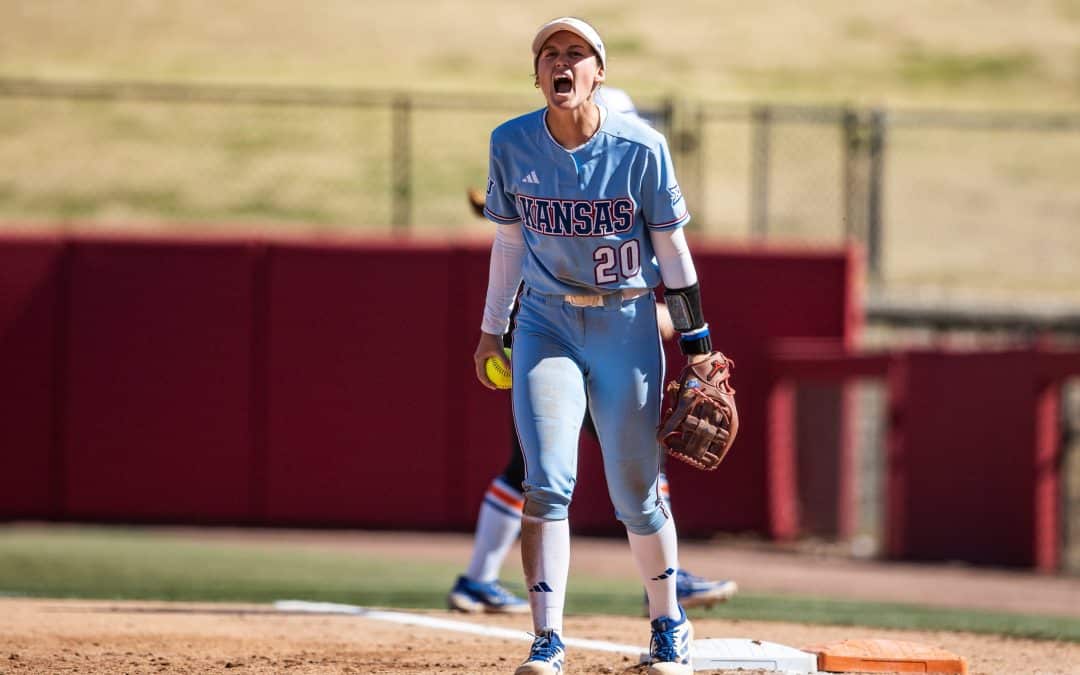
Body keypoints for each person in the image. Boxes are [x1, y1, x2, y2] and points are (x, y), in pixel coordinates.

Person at [472, 16, 724, 675]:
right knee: (547, 481)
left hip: (627, 322)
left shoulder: (640, 147)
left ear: (598, 73)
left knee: (636, 492)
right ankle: (546, 639)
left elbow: (672, 247)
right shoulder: (511, 142)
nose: (562, 63)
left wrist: (699, 343)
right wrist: (489, 328)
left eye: (576, 54)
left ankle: (669, 624)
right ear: (537, 74)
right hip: (546, 324)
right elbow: (507, 242)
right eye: (550, 54)